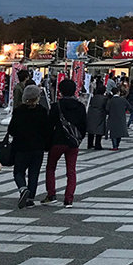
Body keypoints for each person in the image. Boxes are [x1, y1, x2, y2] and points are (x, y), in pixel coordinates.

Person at [42, 79, 87, 208]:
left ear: (60, 91)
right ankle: (69, 199)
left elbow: (49, 126)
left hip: (57, 141)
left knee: (51, 168)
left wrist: (48, 142)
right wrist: (78, 139)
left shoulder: (56, 106)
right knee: (71, 170)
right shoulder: (80, 107)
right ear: (74, 90)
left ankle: (51, 195)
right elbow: (84, 126)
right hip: (73, 143)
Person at [8, 85, 50, 209]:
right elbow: (47, 131)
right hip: (37, 147)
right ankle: (30, 198)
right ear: (37, 97)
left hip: (21, 147)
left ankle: (22, 189)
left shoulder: (19, 110)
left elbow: (12, 130)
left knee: (19, 172)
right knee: (34, 172)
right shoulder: (42, 111)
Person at [86, 84, 108, 150]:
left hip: (91, 113)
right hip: (100, 114)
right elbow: (106, 107)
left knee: (91, 130)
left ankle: (90, 144)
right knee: (99, 130)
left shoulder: (93, 97)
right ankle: (97, 144)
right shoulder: (104, 98)